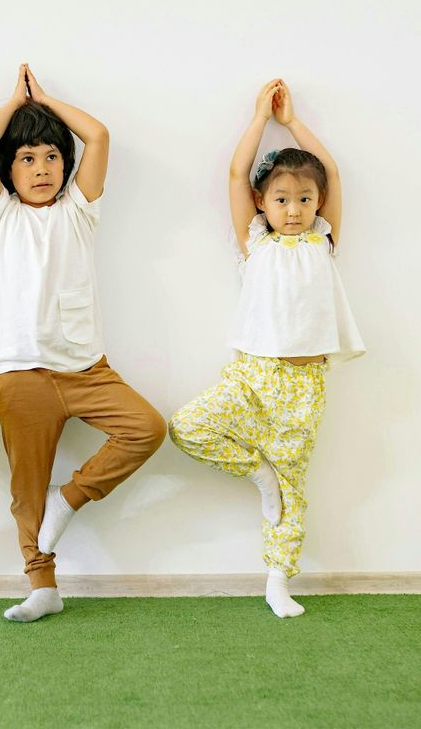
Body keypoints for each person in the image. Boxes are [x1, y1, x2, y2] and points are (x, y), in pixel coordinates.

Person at [0, 64, 166, 623]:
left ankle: (69, 500)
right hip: (19, 372)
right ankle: (43, 586)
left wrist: (47, 100)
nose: (42, 168)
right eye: (27, 158)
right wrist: (15, 102)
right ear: (8, 170)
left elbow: (98, 135)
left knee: (147, 427)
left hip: (85, 368)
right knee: (25, 488)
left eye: (52, 156)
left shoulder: (80, 210)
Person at [169, 79, 364, 618]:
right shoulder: (256, 243)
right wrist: (261, 117)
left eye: (305, 198)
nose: (295, 208)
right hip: (253, 374)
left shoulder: (323, 240)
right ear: (263, 202)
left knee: (295, 486)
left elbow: (336, 173)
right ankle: (260, 474)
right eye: (282, 199)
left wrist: (296, 122)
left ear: (318, 202)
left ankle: (278, 580)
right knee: (188, 427)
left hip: (305, 384)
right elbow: (235, 175)